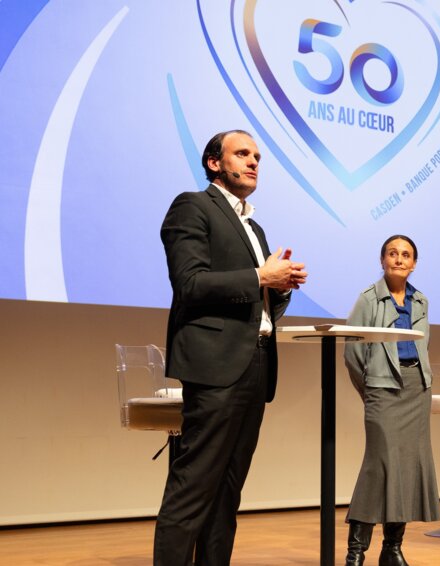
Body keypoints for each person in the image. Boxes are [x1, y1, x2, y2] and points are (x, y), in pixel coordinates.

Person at [154, 130, 308, 565]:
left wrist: (280, 289)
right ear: (214, 163)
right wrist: (261, 277)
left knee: (227, 491)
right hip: (215, 365)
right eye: (242, 154)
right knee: (193, 486)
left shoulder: (254, 227)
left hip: (256, 364)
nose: (254, 161)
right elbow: (190, 284)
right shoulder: (192, 206)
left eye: (257, 156)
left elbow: (259, 303)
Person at [343, 235, 440, 566]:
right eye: (392, 253)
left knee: (407, 470)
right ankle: (356, 551)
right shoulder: (368, 298)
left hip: (416, 390)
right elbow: (353, 352)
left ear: (414, 263)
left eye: (406, 255)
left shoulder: (421, 300)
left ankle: (392, 549)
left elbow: (423, 346)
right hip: (382, 389)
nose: (399, 259)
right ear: (382, 260)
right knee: (378, 467)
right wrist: (372, 389)